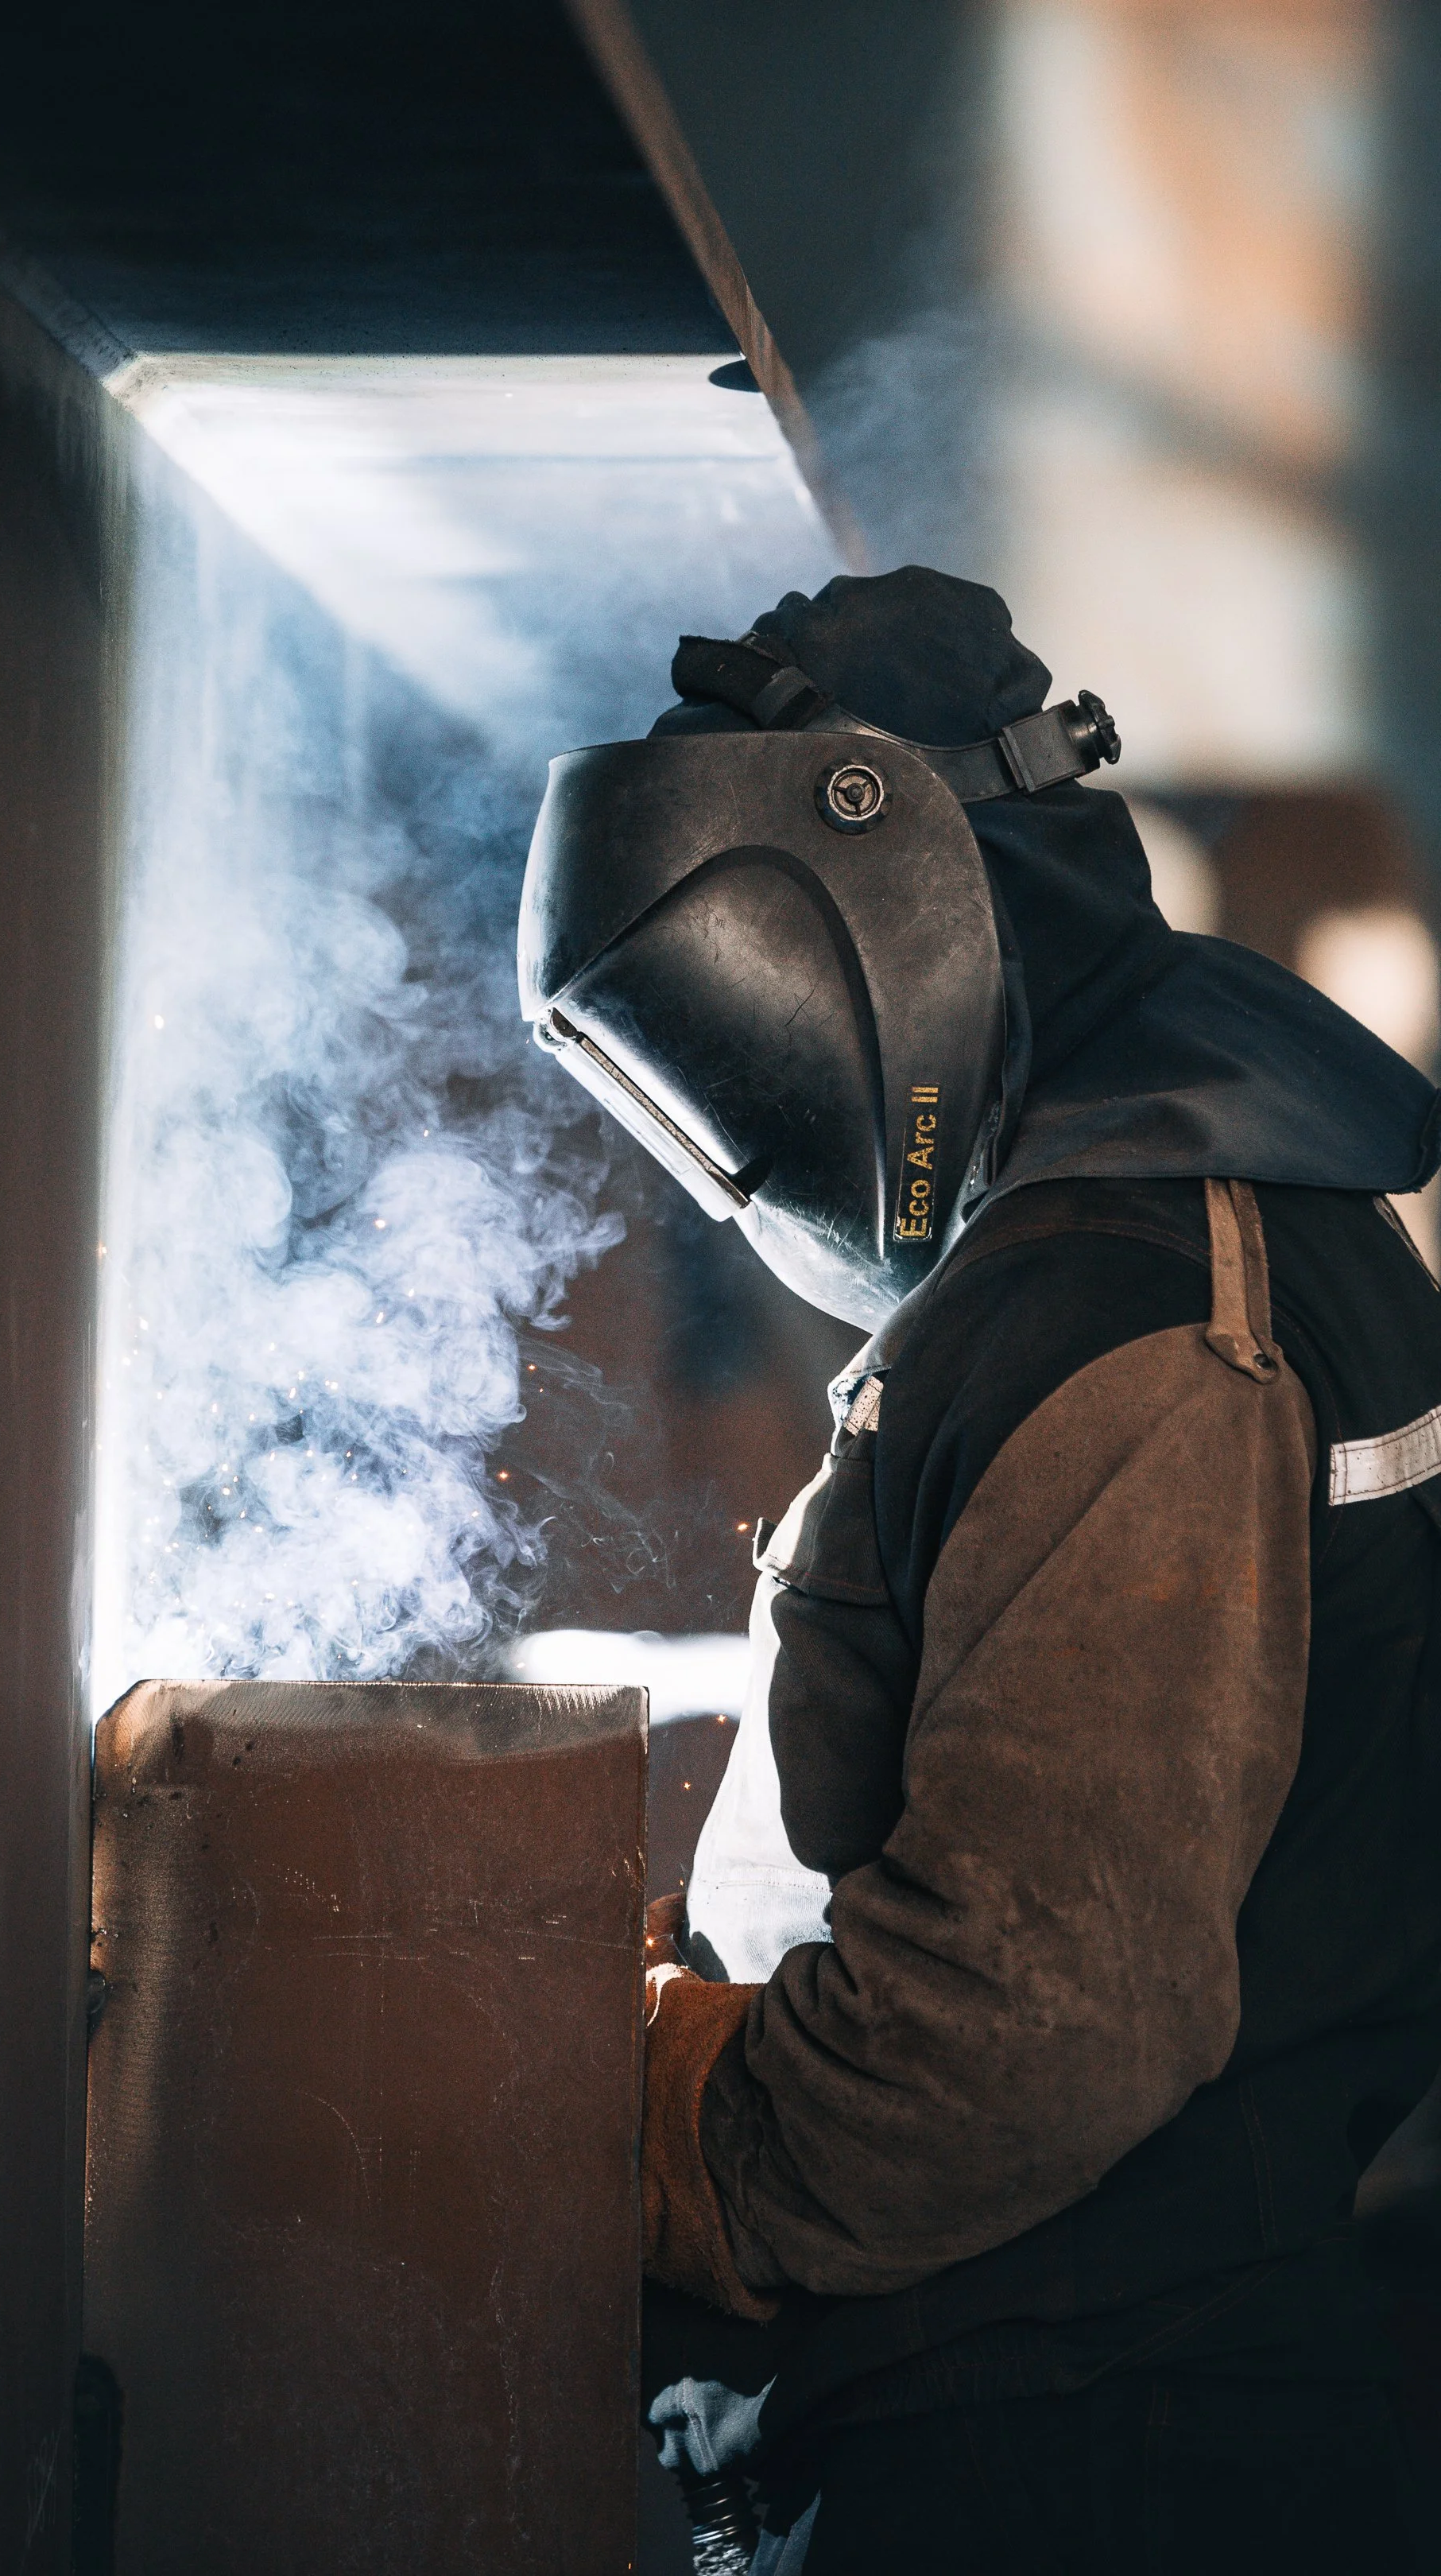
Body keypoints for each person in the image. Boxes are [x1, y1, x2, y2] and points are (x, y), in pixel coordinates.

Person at [519, 569, 1441, 2572]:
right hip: (1071, 2399)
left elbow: (1028, 2028)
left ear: (890, 912)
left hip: (1098, 2443)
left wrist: (673, 2119)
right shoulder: (1125, 1242)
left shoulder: (1136, 1319)